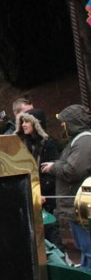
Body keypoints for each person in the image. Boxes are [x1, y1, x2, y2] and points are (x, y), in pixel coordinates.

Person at [41, 104, 91, 270]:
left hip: (83, 207)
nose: (62, 126)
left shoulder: (84, 141)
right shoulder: (79, 140)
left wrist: (53, 168)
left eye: (63, 123)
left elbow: (73, 170)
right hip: (77, 207)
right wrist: (56, 164)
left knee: (88, 248)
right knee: (84, 247)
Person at [15, 111, 61, 246]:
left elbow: (52, 174)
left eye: (27, 121)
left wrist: (41, 193)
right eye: (22, 122)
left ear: (36, 123)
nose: (23, 125)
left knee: (50, 236)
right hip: (27, 196)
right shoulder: (21, 144)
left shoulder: (48, 144)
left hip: (46, 199)